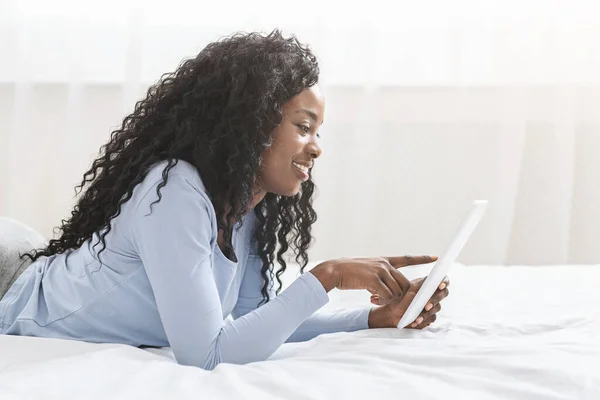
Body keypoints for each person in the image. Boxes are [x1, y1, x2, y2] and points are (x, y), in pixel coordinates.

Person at [0, 30, 449, 370]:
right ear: (250, 123)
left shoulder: (247, 205)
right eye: (303, 126)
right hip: (10, 285)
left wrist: (373, 320)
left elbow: (254, 324)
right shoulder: (175, 190)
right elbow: (206, 354)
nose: (316, 147)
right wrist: (328, 276)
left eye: (319, 131)